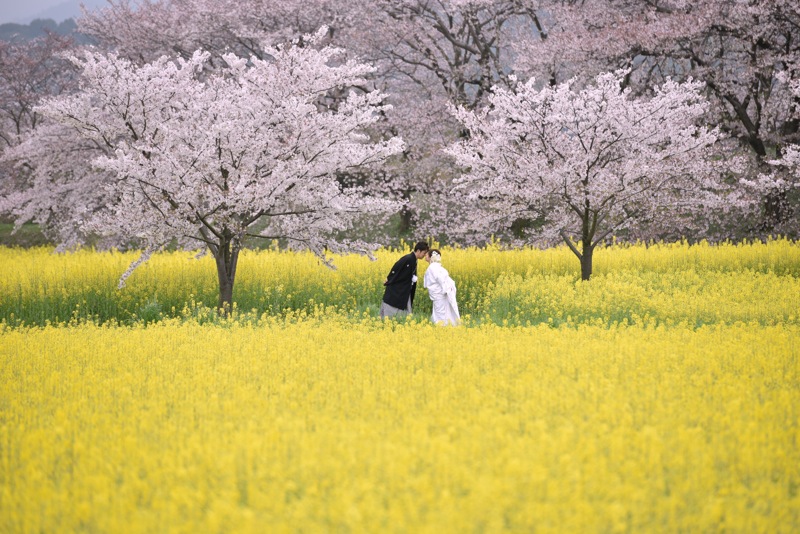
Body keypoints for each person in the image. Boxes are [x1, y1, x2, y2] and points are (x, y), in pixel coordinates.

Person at [380, 241, 429, 319]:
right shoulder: (408, 258)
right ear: (419, 251)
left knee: (404, 306)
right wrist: (389, 279)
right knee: (394, 305)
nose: (424, 255)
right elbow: (396, 268)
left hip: (404, 288)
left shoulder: (413, 259)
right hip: (399, 288)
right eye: (424, 253)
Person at [423, 249, 460, 325]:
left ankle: (443, 327)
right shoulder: (436, 266)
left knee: (440, 313)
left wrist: (445, 289)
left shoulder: (433, 267)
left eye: (426, 255)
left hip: (439, 294)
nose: (425, 256)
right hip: (438, 294)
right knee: (441, 312)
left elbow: (441, 279)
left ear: (431, 257)